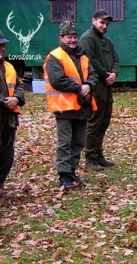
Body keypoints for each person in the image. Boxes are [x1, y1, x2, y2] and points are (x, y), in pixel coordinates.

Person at [43, 22, 98, 189]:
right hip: (64, 107)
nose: (73, 40)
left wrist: (89, 85)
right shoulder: (55, 56)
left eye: (74, 37)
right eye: (69, 37)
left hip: (82, 106)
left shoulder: (83, 56)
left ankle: (72, 171)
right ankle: (64, 175)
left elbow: (93, 75)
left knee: (78, 142)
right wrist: (80, 89)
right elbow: (57, 80)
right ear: (62, 38)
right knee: (65, 143)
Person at [78, 9, 119, 172]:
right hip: (95, 85)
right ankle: (90, 156)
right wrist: (105, 74)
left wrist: (114, 73)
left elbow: (116, 59)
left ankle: (98, 154)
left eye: (106, 24)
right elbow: (90, 61)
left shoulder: (107, 41)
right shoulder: (87, 38)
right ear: (93, 21)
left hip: (107, 86)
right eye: (102, 23)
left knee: (104, 120)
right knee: (94, 122)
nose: (104, 26)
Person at [0, 28, 25, 209]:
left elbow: (20, 85)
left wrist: (16, 98)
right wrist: (1, 99)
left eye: (4, 45)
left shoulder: (8, 67)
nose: (3, 48)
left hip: (8, 119)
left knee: (6, 156)